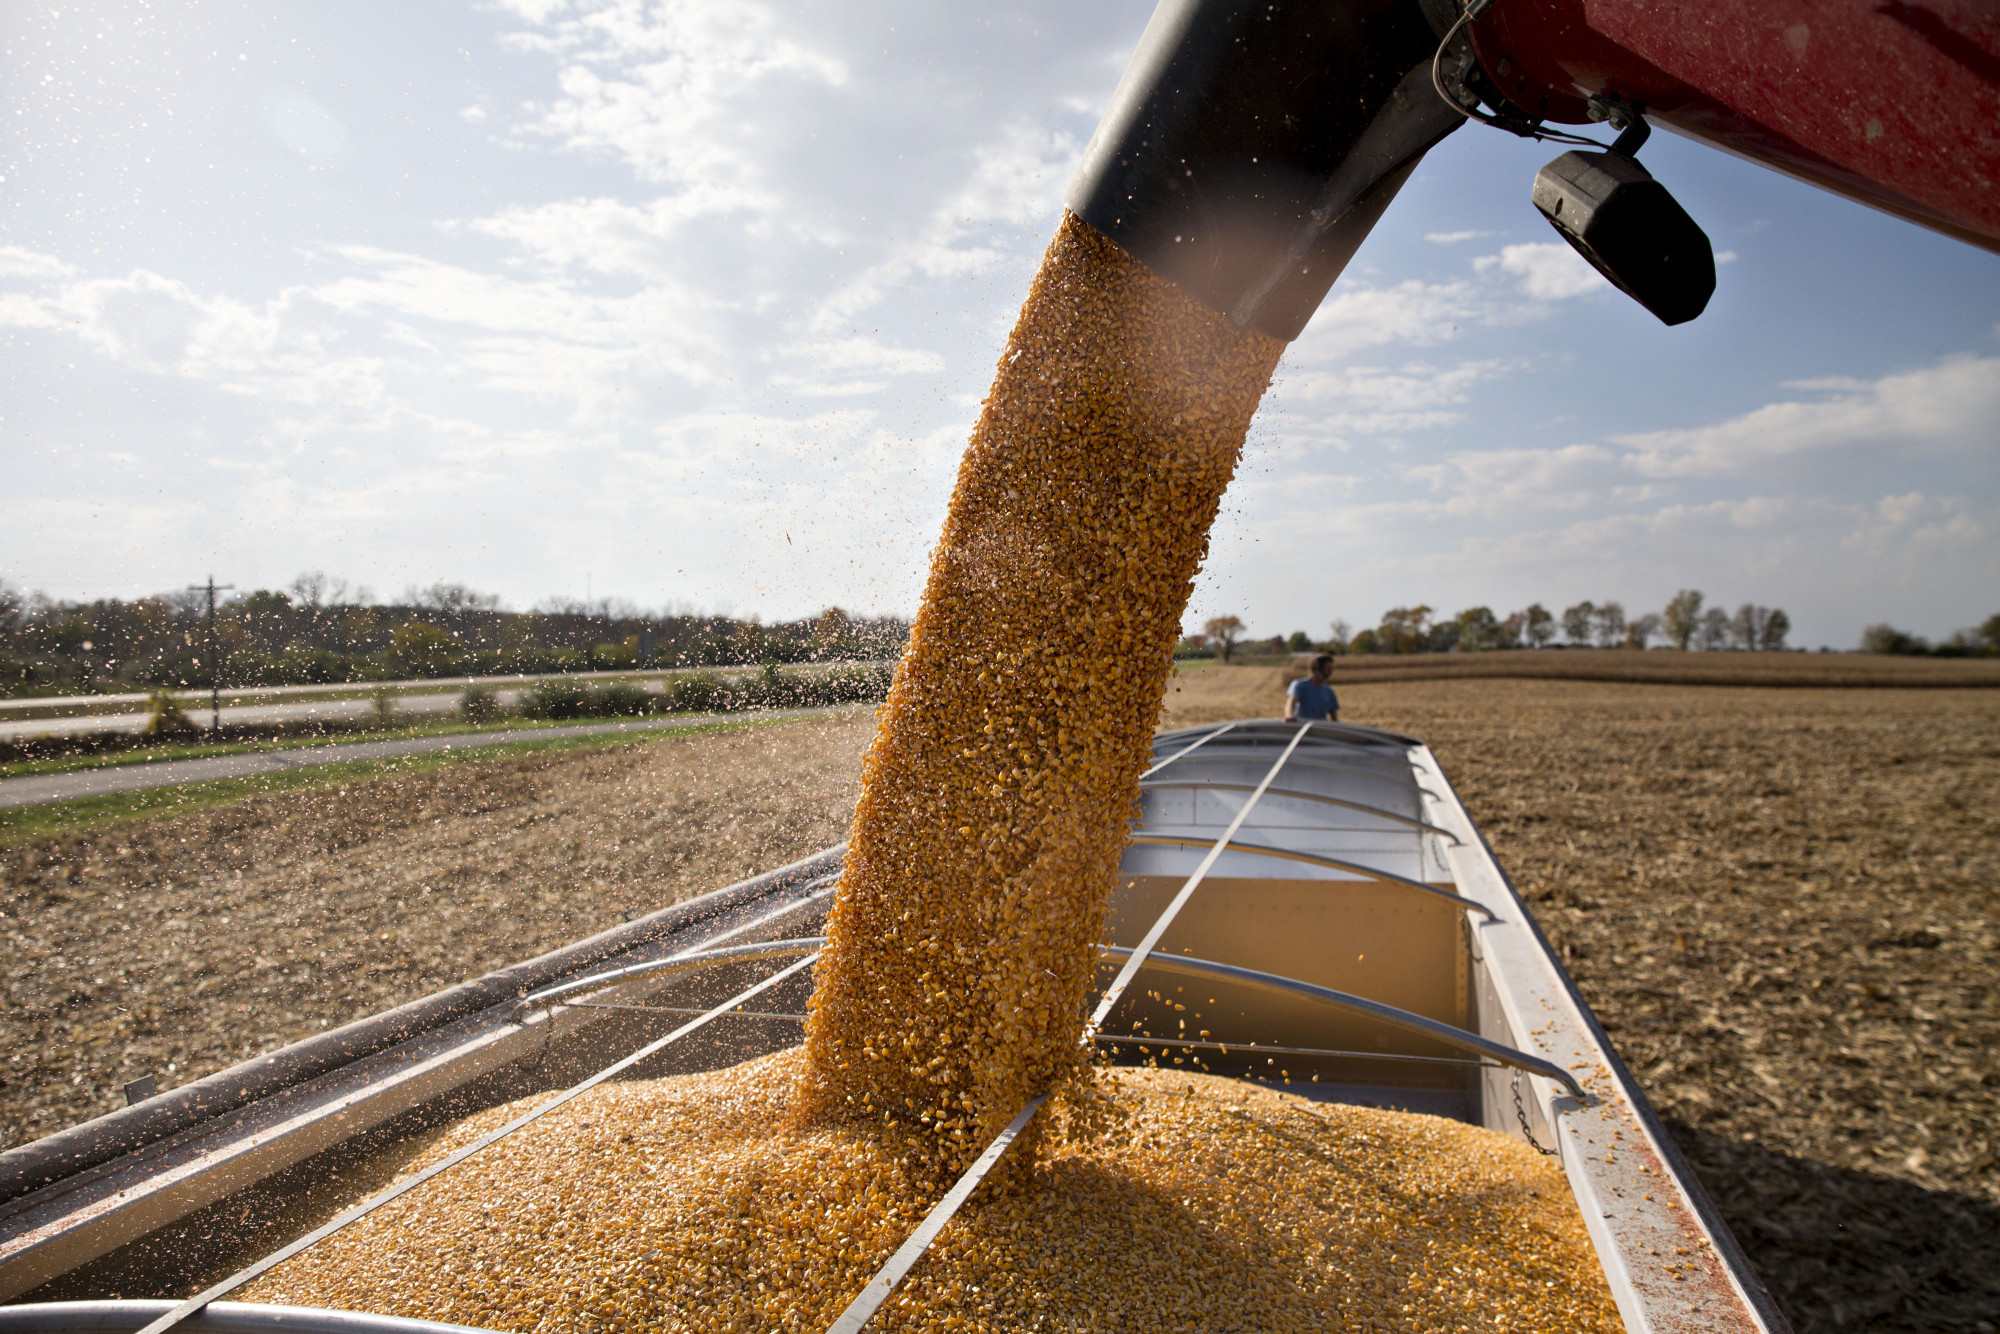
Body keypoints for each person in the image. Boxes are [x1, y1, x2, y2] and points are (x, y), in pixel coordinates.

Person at [1285, 653, 1340, 722]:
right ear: (1315, 670)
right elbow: (1291, 701)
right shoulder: (1300, 685)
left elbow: (1334, 718)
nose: (1330, 673)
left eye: (1331, 669)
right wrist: (1289, 715)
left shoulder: (1329, 691)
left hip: (1321, 730)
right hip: (1301, 729)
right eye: (1328, 669)